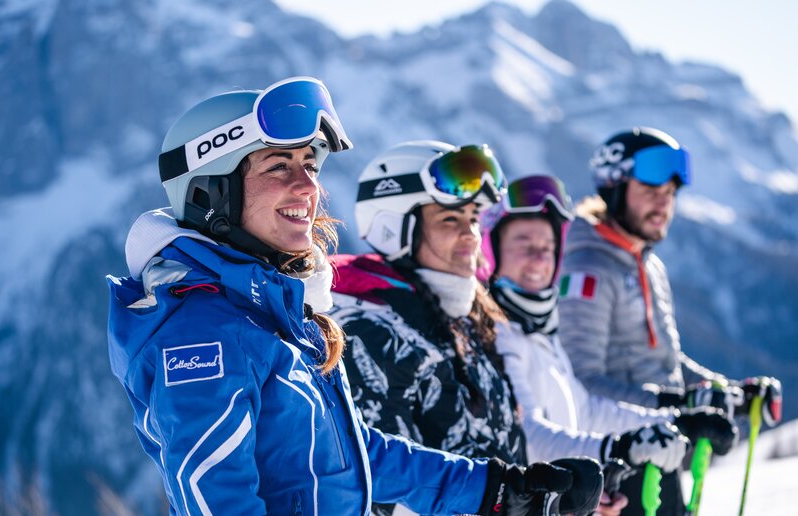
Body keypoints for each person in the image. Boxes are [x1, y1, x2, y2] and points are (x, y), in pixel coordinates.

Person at [106, 77, 590, 516]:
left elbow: (353, 455)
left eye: (310, 165)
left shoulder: (274, 313)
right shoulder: (203, 332)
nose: (308, 186)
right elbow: (215, 499)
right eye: (279, 166)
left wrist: (497, 489)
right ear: (211, 194)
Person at [328, 140, 603, 516]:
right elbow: (382, 492)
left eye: (473, 218)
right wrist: (512, 503)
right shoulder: (367, 332)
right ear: (396, 226)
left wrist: (556, 493)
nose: (471, 235)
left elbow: (503, 444)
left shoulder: (464, 321)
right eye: (449, 219)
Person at [481, 175, 738, 515]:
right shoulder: (496, 336)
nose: (539, 259)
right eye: (523, 245)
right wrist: (618, 447)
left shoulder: (539, 332)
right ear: (491, 251)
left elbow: (586, 410)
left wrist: (675, 421)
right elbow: (530, 436)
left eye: (547, 247)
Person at [557, 127, 782, 514]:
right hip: (614, 473)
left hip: (662, 455)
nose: (663, 204)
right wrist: (679, 404)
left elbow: (665, 361)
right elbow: (581, 384)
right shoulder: (588, 267)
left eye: (670, 194)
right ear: (614, 187)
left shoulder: (646, 263)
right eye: (650, 191)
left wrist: (728, 391)